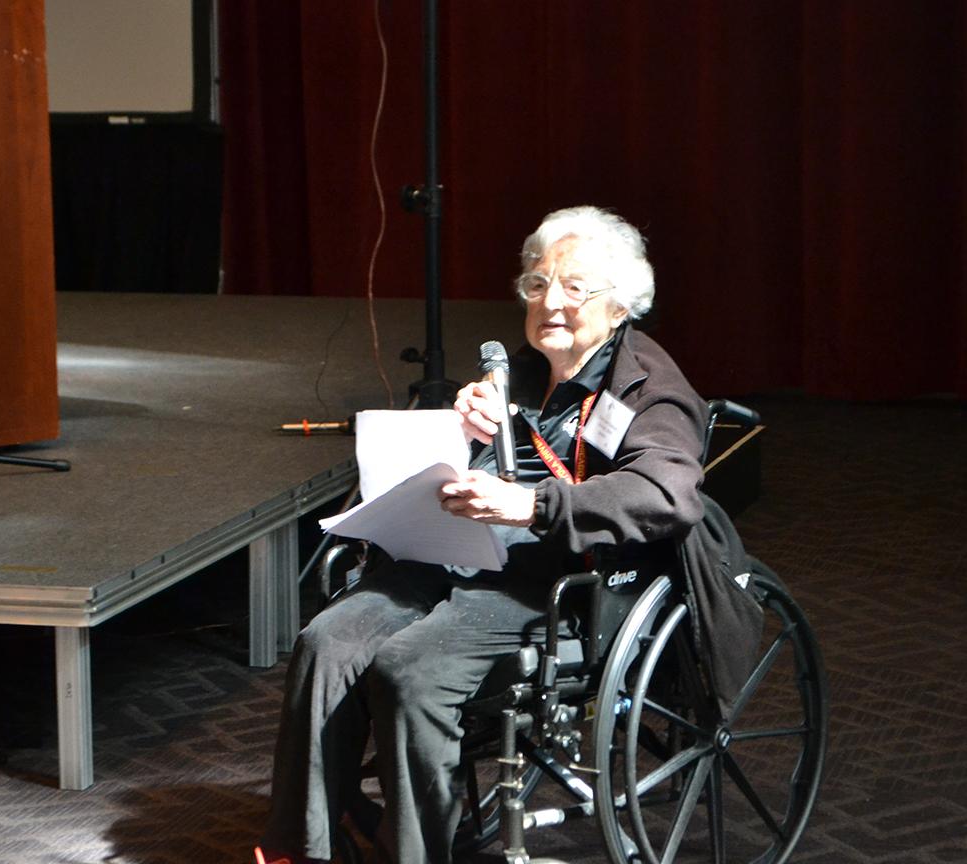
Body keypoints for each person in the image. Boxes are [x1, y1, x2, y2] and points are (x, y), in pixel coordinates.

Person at [257, 206, 709, 864]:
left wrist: (530, 503)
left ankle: (417, 851)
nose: (550, 302)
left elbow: (666, 493)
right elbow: (481, 466)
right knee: (326, 641)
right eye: (536, 284)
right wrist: (462, 434)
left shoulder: (649, 389)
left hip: (559, 586)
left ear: (621, 303)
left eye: (574, 286)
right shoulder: (522, 373)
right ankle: (307, 846)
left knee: (410, 671)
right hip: (464, 557)